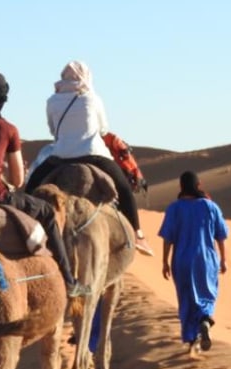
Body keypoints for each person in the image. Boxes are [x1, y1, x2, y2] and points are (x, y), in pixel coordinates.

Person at [0, 71, 90, 298]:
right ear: (2, 98)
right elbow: (18, 180)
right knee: (48, 213)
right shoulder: (7, 130)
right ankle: (68, 281)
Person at [23, 61, 154, 256]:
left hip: (60, 156)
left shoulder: (52, 100)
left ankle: (25, 231)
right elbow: (103, 129)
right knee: (124, 189)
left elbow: (52, 129)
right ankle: (138, 234)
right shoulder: (93, 99)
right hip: (92, 155)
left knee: (31, 189)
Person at [159, 171, 228, 353]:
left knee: (186, 298)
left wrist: (164, 262)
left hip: (181, 260)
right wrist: (224, 260)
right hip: (206, 260)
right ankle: (205, 320)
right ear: (199, 185)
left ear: (181, 186)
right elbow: (221, 236)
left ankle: (192, 339)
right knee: (207, 294)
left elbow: (168, 238)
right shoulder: (210, 206)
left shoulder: (174, 208)